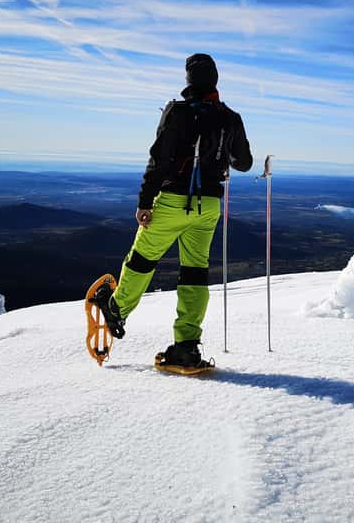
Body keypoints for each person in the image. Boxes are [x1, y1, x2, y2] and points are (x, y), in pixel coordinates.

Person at [93, 53, 252, 370]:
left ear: (189, 80)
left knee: (142, 259)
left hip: (172, 201)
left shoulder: (177, 111)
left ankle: (116, 308)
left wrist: (144, 200)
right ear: (215, 80)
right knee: (195, 273)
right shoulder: (230, 117)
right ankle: (187, 346)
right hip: (208, 207)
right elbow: (244, 163)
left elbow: (159, 158)